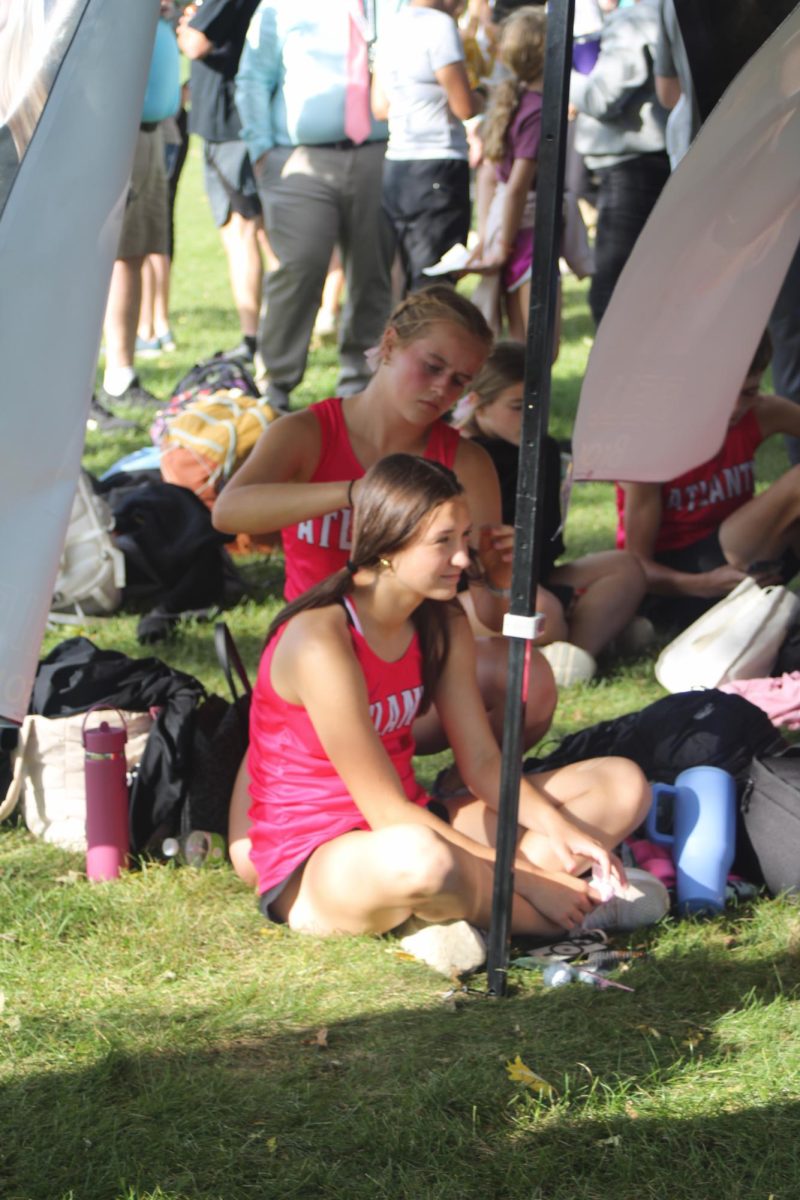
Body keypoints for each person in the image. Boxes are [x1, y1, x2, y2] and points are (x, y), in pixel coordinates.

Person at [229, 452, 654, 945]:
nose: (462, 559)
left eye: (465, 538)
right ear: (388, 545)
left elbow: (481, 761)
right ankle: (565, 913)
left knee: (622, 785)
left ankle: (456, 912)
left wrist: (561, 831)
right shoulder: (322, 640)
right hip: (319, 858)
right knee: (423, 859)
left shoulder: (442, 620)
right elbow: (386, 811)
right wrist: (528, 876)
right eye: (443, 542)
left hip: (416, 819)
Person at [213, 286, 558, 756]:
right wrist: (353, 493)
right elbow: (228, 511)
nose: (442, 389)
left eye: (460, 380)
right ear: (391, 344)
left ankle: (461, 796)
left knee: (528, 680)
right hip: (323, 659)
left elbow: (495, 618)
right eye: (432, 366)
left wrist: (500, 579)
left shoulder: (467, 461)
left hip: (416, 665)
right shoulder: (307, 433)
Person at [235, 0, 398, 411]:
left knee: (373, 274)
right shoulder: (281, 6)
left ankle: (360, 389)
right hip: (300, 158)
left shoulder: (392, 4)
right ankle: (275, 388)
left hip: (378, 153)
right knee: (300, 268)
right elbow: (253, 77)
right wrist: (261, 150)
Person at [455, 340, 648, 684]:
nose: (532, 417)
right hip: (478, 591)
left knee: (626, 568)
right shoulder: (464, 457)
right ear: (478, 406)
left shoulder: (540, 449)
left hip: (535, 578)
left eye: (537, 405)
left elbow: (547, 539)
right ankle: (585, 638)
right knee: (546, 611)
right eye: (518, 407)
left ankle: (576, 654)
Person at [617, 331, 800, 630]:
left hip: (747, 565)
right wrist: (703, 584)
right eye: (723, 393)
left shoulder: (763, 412)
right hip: (679, 585)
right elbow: (636, 566)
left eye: (749, 393)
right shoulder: (652, 441)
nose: (735, 408)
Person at [371, 0, 483, 295]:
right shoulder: (439, 26)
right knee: (435, 281)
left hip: (398, 165)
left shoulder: (391, 25)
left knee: (403, 277)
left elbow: (380, 107)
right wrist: (486, 94)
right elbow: (465, 107)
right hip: (438, 162)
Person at [569, 0, 669, 328]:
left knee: (612, 291)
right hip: (646, 160)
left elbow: (601, 97)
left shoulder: (642, 16)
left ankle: (622, 379)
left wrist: (557, 70)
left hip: (636, 164)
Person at [177, 0, 265, 365]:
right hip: (228, 123)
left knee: (241, 232)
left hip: (229, 127)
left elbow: (196, 42)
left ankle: (254, 339)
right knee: (252, 232)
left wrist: (185, 28)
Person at [469, 5, 547, 341]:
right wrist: (499, 245)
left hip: (507, 228)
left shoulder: (513, 100)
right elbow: (516, 187)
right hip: (524, 232)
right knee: (538, 345)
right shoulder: (536, 109)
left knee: (522, 343)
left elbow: (488, 175)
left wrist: (487, 235)